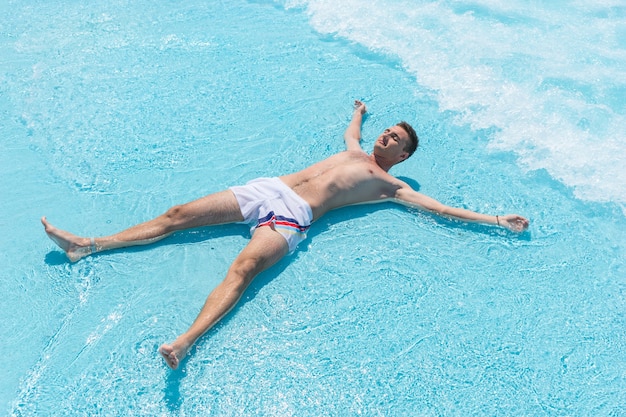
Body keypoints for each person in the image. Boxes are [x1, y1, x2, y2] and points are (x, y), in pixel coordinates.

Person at [42, 100, 529, 369]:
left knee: (245, 269)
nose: (386, 138)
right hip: (266, 190)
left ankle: (185, 341)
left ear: (403, 157)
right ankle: (89, 245)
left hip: (292, 217)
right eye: (387, 132)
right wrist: (359, 112)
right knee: (177, 214)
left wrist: (495, 219)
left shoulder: (391, 185)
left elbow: (441, 208)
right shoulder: (358, 148)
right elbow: (351, 134)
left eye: (396, 141)